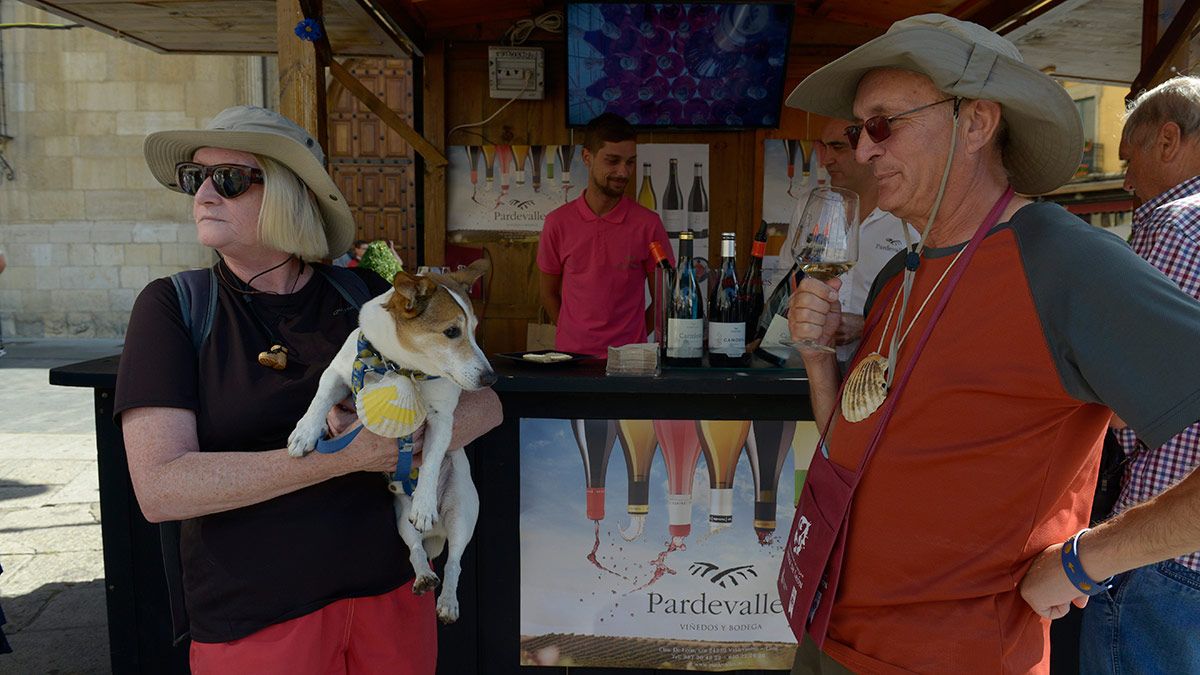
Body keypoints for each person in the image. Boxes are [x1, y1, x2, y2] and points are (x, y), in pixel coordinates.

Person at [782, 14, 1200, 674]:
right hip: (828, 633)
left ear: (975, 123)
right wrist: (815, 360)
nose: (862, 151)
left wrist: (1084, 561)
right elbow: (850, 451)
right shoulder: (905, 271)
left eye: (884, 124)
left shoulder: (1060, 260)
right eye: (860, 130)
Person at [115, 106, 502, 673]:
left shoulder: (360, 293)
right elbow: (161, 488)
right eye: (194, 178)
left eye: (228, 179)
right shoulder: (174, 307)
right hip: (258, 617)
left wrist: (403, 436)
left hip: (392, 595)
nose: (203, 194)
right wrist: (337, 457)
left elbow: (486, 404)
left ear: (292, 194)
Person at [1022, 76, 1200, 673]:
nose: (1125, 180)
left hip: (1162, 544)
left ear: (1169, 139)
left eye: (1130, 157)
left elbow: (1125, 396)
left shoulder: (1172, 224)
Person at [537, 113, 673, 357]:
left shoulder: (648, 224)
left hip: (629, 362)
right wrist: (572, 331)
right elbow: (548, 293)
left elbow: (665, 297)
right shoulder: (557, 223)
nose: (623, 172)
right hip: (571, 360)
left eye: (630, 162)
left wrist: (635, 339)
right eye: (613, 161)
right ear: (587, 157)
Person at [813, 117, 918, 362]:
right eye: (824, 148)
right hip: (809, 364)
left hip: (881, 368)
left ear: (866, 151)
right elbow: (789, 282)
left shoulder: (911, 218)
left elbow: (930, 304)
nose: (826, 159)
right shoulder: (815, 210)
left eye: (838, 147)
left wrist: (865, 325)